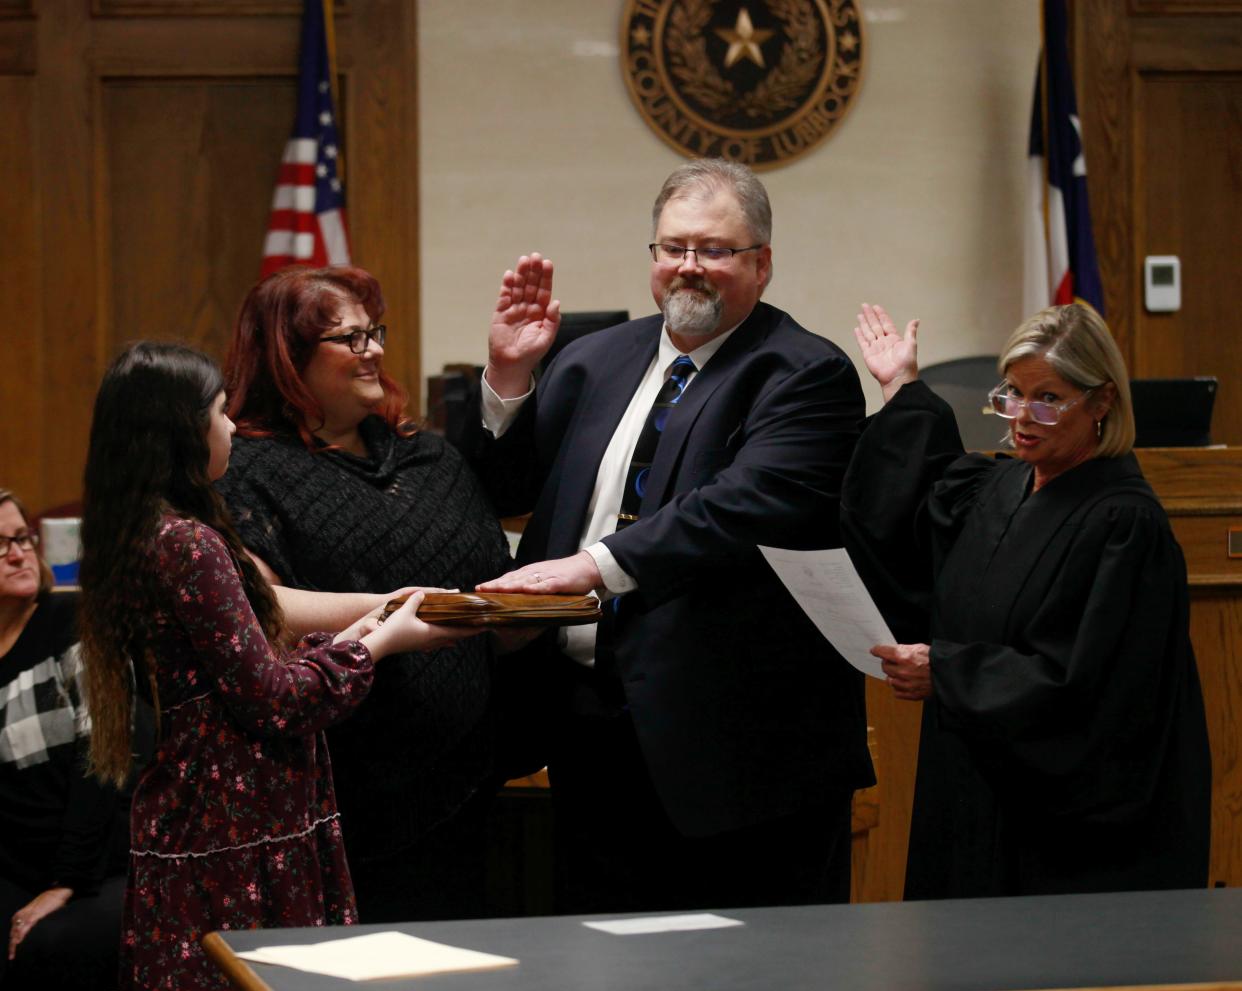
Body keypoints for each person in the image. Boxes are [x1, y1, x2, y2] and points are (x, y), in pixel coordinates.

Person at [458, 159, 874, 914]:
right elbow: (503, 490)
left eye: (714, 249)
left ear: (762, 263)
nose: (689, 267)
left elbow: (742, 507)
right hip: (590, 727)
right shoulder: (592, 360)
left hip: (737, 746)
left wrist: (591, 566)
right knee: (606, 963)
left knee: (743, 977)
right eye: (672, 247)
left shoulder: (803, 373)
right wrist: (509, 377)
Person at [78, 341, 474, 991]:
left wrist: (367, 626)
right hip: (223, 837)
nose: (232, 428)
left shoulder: (157, 530)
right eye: (221, 413)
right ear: (180, 431)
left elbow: (251, 669)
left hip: (229, 830)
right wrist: (384, 645)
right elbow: (275, 700)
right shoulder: (186, 543)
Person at [841, 301, 1211, 898]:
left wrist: (949, 674)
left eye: (1049, 398)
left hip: (1063, 839)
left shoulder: (1123, 527)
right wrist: (901, 387)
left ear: (1102, 401)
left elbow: (1091, 692)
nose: (1023, 418)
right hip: (971, 793)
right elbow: (925, 493)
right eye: (1012, 393)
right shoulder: (1006, 483)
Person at [216, 266, 512, 924]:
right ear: (287, 359)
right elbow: (262, 612)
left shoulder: (430, 459)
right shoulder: (246, 468)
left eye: (374, 332)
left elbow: (490, 584)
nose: (374, 349)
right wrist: (391, 608)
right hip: (338, 790)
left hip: (470, 786)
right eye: (349, 338)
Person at [0, 488, 144, 991]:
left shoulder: (76, 623)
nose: (18, 553)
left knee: (44, 950)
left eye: (21, 538)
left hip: (105, 863)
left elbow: (102, 767)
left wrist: (65, 883)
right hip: (17, 864)